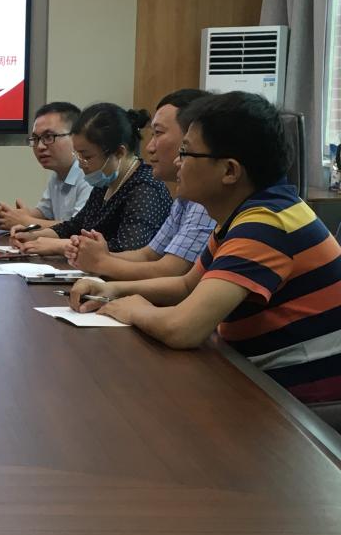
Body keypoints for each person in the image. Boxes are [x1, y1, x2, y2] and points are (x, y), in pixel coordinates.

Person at [69, 91, 341, 405]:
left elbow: (183, 329)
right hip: (261, 380)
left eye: (186, 153)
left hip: (307, 408)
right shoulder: (243, 215)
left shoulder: (267, 224)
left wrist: (135, 309)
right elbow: (187, 285)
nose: (177, 162)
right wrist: (112, 289)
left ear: (229, 171)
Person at [65, 89, 216, 279]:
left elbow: (172, 272)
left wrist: (101, 263)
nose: (149, 147)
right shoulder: (185, 197)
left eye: (158, 133)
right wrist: (96, 256)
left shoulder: (204, 198)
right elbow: (148, 255)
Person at [11, 102, 172, 256]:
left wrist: (61, 246)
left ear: (119, 153)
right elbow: (75, 225)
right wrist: (35, 235)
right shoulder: (105, 182)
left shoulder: (146, 189)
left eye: (87, 156)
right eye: (77, 155)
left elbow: (129, 249)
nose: (81, 164)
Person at [0, 102, 91, 231]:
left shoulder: (89, 176)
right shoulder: (58, 174)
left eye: (48, 137)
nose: (40, 147)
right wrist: (9, 217)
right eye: (35, 139)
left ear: (75, 137)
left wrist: (24, 221)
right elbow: (43, 213)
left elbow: (79, 228)